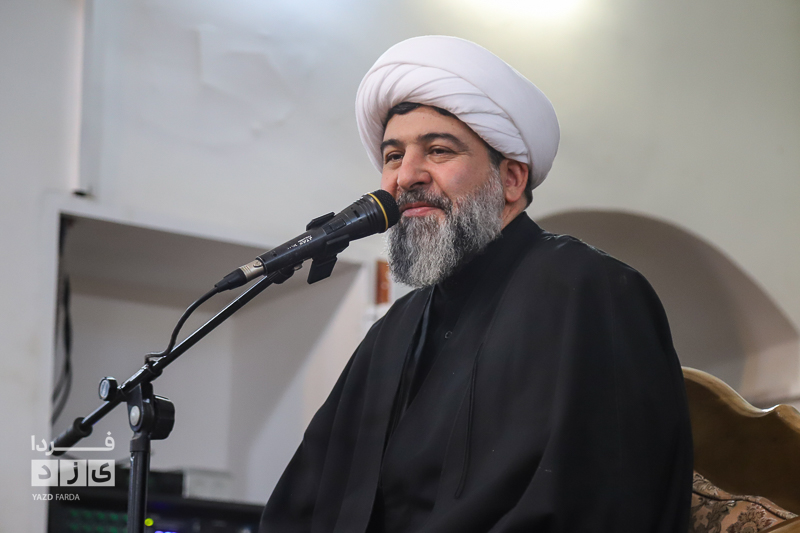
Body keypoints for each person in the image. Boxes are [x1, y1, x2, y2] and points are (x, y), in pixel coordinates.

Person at [260, 36, 693, 533]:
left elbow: (603, 500)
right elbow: (305, 504)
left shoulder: (591, 291)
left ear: (511, 179)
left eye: (438, 150)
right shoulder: (394, 331)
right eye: (393, 155)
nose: (406, 176)